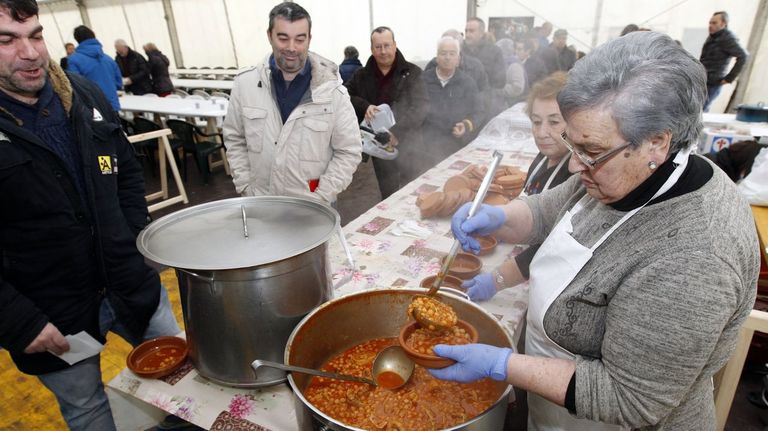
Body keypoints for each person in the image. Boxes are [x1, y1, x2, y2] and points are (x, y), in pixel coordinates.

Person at [436, 31, 758, 430]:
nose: (574, 166)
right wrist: (498, 217)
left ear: (657, 143)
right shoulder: (625, 168)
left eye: (588, 150)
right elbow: (550, 208)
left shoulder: (696, 256)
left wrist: (502, 364)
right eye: (571, 144)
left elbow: (631, 398)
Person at [0, 2, 182, 431]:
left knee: (181, 378)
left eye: (35, 35)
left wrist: (138, 237)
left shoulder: (84, 95)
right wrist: (17, 320)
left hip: (130, 282)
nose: (30, 53)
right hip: (52, 314)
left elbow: (127, 170)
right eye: (7, 40)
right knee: (87, 410)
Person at [223, 2, 361, 204]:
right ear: (269, 35)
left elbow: (349, 150)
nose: (291, 48)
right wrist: (246, 186)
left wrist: (322, 195)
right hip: (261, 207)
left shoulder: (332, 92)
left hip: (312, 212)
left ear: (309, 39)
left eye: (299, 39)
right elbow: (234, 137)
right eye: (283, 38)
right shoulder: (245, 85)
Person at [461, 72, 571, 301]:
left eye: (554, 121)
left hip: (550, 282)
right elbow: (528, 198)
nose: (542, 133)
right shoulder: (543, 156)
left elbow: (554, 248)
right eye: (536, 121)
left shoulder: (574, 173)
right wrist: (503, 224)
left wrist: (497, 280)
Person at [345, 26, 428, 198]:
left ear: (395, 45)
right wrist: (364, 105)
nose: (383, 51)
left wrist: (396, 132)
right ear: (371, 49)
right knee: (388, 193)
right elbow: (345, 95)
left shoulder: (413, 73)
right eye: (378, 47)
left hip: (409, 143)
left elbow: (421, 107)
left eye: (387, 45)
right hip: (380, 145)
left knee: (412, 193)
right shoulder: (361, 75)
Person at [420, 36, 484, 175]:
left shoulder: (467, 82)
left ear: (458, 58)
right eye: (443, 53)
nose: (447, 57)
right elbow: (414, 108)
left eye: (452, 53)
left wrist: (466, 125)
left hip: (455, 144)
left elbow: (478, 112)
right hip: (427, 145)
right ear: (437, 57)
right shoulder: (423, 79)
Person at [700, 11, 749, 112]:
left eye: (714, 23)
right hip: (703, 80)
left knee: (700, 111)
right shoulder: (713, 36)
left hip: (713, 82)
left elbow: (743, 56)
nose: (710, 25)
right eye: (710, 22)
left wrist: (729, 78)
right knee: (696, 110)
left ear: (723, 24)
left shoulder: (727, 38)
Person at [66, 25, 122, 111]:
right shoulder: (109, 59)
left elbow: (75, 87)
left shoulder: (73, 60)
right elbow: (119, 83)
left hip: (93, 110)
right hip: (113, 107)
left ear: (77, 39)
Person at [424, 29, 489, 93]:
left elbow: (484, 92)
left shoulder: (475, 66)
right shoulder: (433, 64)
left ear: (459, 47)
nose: (447, 57)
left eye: (451, 52)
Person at [463, 17, 505, 89]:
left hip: (485, 97)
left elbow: (500, 81)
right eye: (466, 31)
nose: (467, 35)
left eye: (471, 31)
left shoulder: (494, 52)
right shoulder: (459, 51)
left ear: (481, 33)